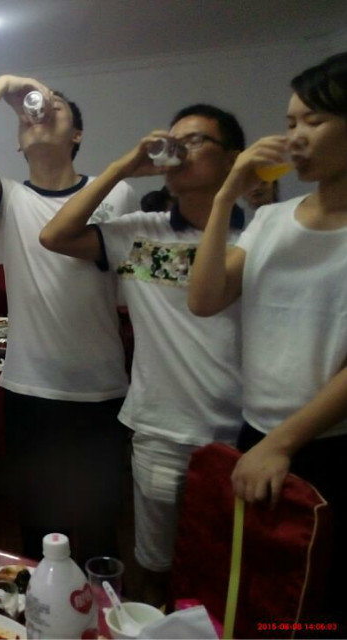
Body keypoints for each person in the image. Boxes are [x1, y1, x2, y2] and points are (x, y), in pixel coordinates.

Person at [40, 104, 247, 605]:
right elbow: (54, 235)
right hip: (161, 431)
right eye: (174, 141)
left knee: (232, 571)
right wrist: (122, 167)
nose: (179, 152)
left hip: (242, 433)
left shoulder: (260, 234)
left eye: (195, 141)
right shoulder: (139, 233)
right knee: (154, 569)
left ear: (232, 159)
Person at [0, 75, 137, 560]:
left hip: (102, 390)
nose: (41, 112)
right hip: (30, 393)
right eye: (30, 113)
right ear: (18, 142)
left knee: (99, 534)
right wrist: (1, 86)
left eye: (58, 108)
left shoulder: (117, 194)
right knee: (41, 537)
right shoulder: (8, 199)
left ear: (77, 135)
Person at [189, 53, 347, 626]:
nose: (295, 137)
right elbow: (205, 298)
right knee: (257, 590)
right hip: (255, 432)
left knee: (321, 600)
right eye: (289, 123)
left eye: (314, 121)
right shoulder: (271, 222)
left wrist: (283, 443)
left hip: (327, 443)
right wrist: (226, 195)